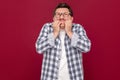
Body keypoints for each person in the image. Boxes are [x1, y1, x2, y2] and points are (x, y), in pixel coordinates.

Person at [35, 3, 91, 80]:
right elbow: (39, 48)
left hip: (73, 76)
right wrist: (54, 33)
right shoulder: (47, 28)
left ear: (71, 18)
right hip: (50, 76)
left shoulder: (78, 28)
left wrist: (69, 32)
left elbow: (86, 47)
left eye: (65, 14)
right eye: (58, 14)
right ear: (54, 18)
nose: (61, 17)